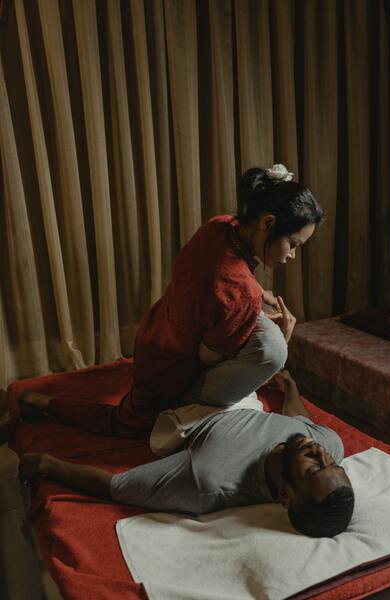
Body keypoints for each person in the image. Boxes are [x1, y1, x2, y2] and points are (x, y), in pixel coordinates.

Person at [3, 163, 324, 443]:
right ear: (267, 223)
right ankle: (37, 401)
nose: (292, 256)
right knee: (119, 424)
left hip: (154, 334)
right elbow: (208, 356)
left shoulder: (221, 226)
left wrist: (252, 297)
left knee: (262, 342)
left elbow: (217, 283)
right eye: (293, 244)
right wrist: (277, 338)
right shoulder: (242, 293)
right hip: (169, 373)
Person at [19, 371, 354, 538]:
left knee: (118, 422)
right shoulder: (328, 444)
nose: (319, 452)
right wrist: (291, 388)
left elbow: (117, 486)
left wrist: (48, 464)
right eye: (330, 462)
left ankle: (39, 401)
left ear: (285, 496)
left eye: (314, 468)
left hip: (191, 409)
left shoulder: (210, 481)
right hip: (239, 395)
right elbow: (301, 420)